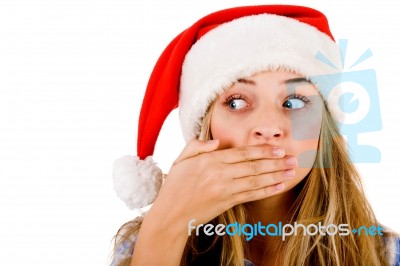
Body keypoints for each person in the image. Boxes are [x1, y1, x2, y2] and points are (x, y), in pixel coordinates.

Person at [109, 5, 400, 266]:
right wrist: (167, 223)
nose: (270, 126)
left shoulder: (386, 255)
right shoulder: (143, 243)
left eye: (294, 102)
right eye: (236, 102)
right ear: (204, 128)